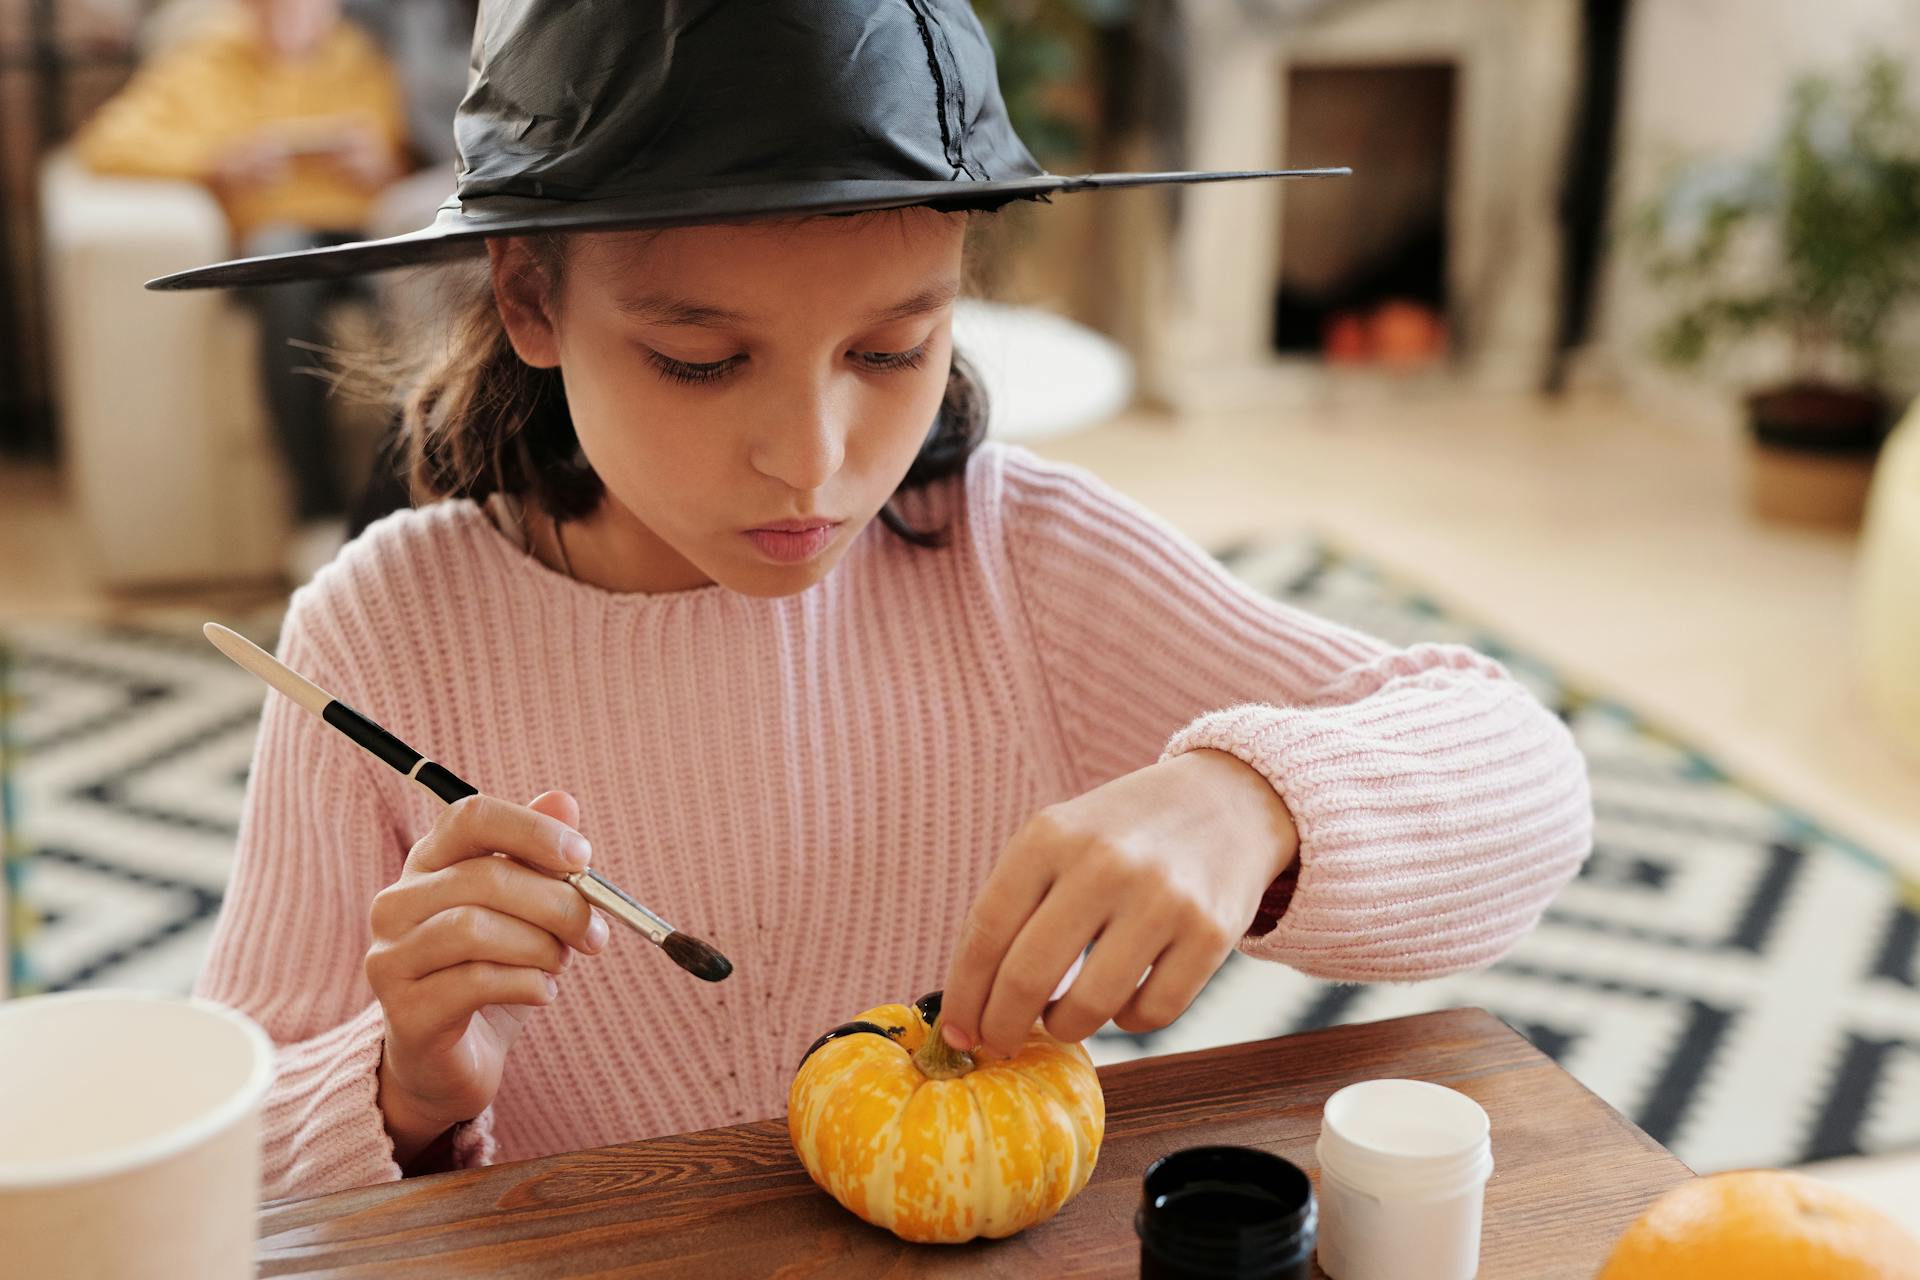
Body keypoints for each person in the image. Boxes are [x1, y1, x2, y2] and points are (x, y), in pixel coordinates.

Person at [156, 1, 1593, 1200]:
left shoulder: (1010, 560)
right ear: (528, 296)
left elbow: (1527, 787)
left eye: (896, 347)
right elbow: (215, 1155)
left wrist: (1248, 801)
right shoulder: (383, 631)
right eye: (704, 361)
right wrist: (403, 1086)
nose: (816, 460)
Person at [75, 0, 408, 579]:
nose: (293, 20)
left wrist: (382, 162)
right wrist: (216, 164)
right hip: (268, 240)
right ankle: (317, 512)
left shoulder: (360, 59)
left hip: (356, 232)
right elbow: (106, 144)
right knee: (284, 272)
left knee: (408, 284)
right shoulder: (205, 61)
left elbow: (415, 149)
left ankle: (407, 507)